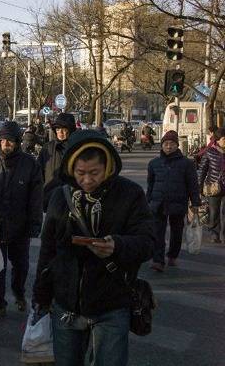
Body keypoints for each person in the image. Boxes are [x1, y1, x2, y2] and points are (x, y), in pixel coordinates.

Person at [32, 129, 155, 366]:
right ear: (70, 169)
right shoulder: (60, 197)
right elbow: (48, 250)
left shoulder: (130, 194)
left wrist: (117, 246)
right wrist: (40, 297)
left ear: (107, 166)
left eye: (94, 173)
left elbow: (148, 242)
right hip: (66, 304)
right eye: (81, 173)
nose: (87, 180)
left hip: (112, 304)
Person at [0, 121, 43, 322]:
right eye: (2, 140)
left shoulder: (30, 164)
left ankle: (19, 292)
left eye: (10, 141)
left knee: (21, 266)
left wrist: (35, 223)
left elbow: (36, 197)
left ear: (17, 142)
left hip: (21, 225)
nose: (6, 144)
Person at [147, 130, 201, 271]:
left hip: (178, 203)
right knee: (157, 232)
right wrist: (147, 202)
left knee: (177, 232)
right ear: (162, 146)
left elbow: (193, 185)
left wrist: (195, 203)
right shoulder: (154, 163)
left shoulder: (187, 164)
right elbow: (150, 185)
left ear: (177, 145)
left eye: (171, 144)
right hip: (158, 203)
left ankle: (172, 256)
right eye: (166, 144)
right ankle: (158, 260)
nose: (168, 146)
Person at [38, 113, 76, 211]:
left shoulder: (77, 148)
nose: (60, 132)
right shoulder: (47, 148)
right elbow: (38, 173)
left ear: (70, 130)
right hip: (50, 200)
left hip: (73, 200)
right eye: (58, 129)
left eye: (64, 129)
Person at [198, 127, 225, 243]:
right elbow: (202, 170)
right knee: (214, 211)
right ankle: (214, 233)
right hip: (213, 187)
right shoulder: (210, 152)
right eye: (224, 139)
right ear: (218, 140)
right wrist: (199, 187)